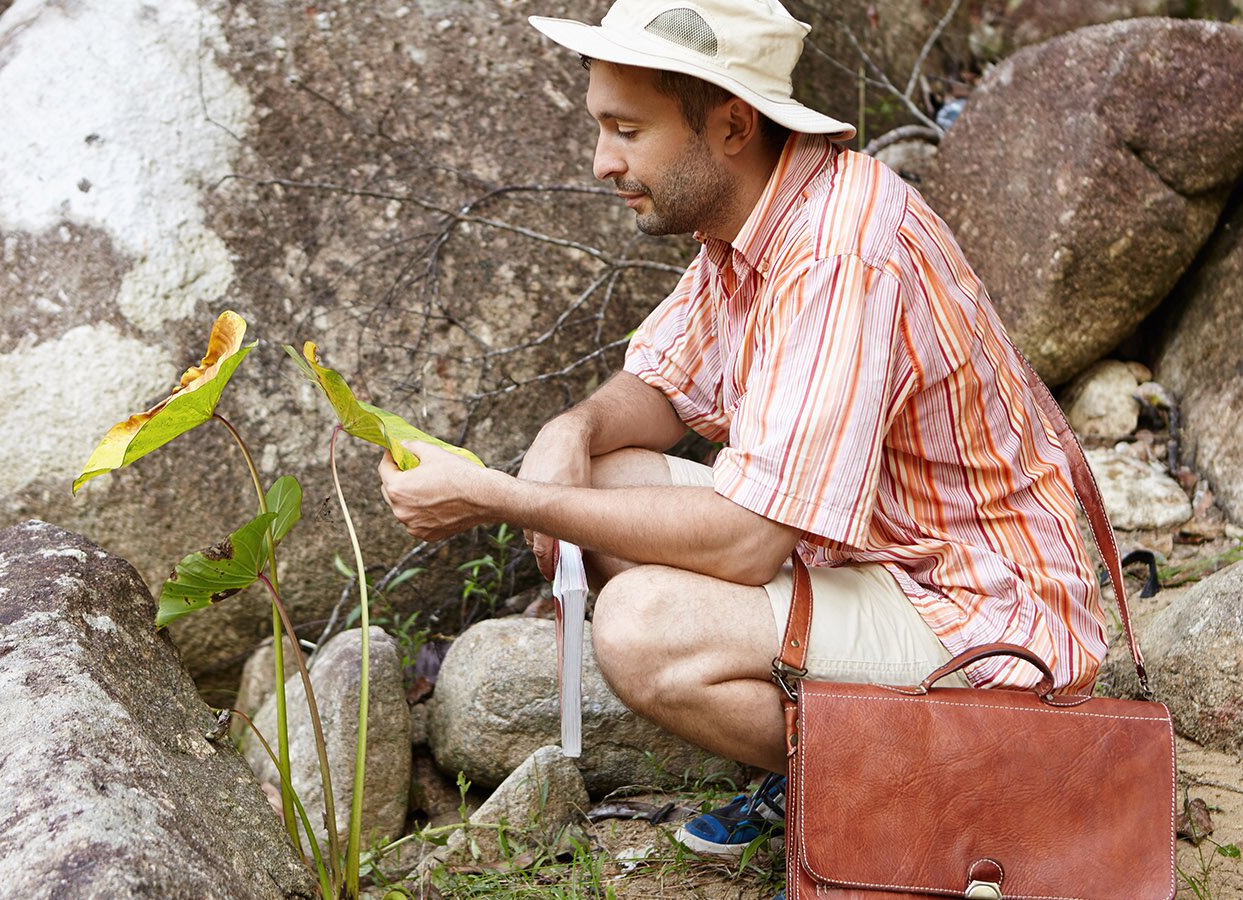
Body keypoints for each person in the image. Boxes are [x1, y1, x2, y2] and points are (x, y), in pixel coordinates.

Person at [378, 0, 1105, 861]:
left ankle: (936, 779)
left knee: (638, 629)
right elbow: (661, 384)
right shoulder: (750, 217)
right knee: (599, 479)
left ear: (731, 124)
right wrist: (570, 430)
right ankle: (842, 742)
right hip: (877, 548)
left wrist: (501, 497)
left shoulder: (839, 252)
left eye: (626, 129)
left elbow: (752, 545)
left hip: (979, 612)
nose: (602, 162)